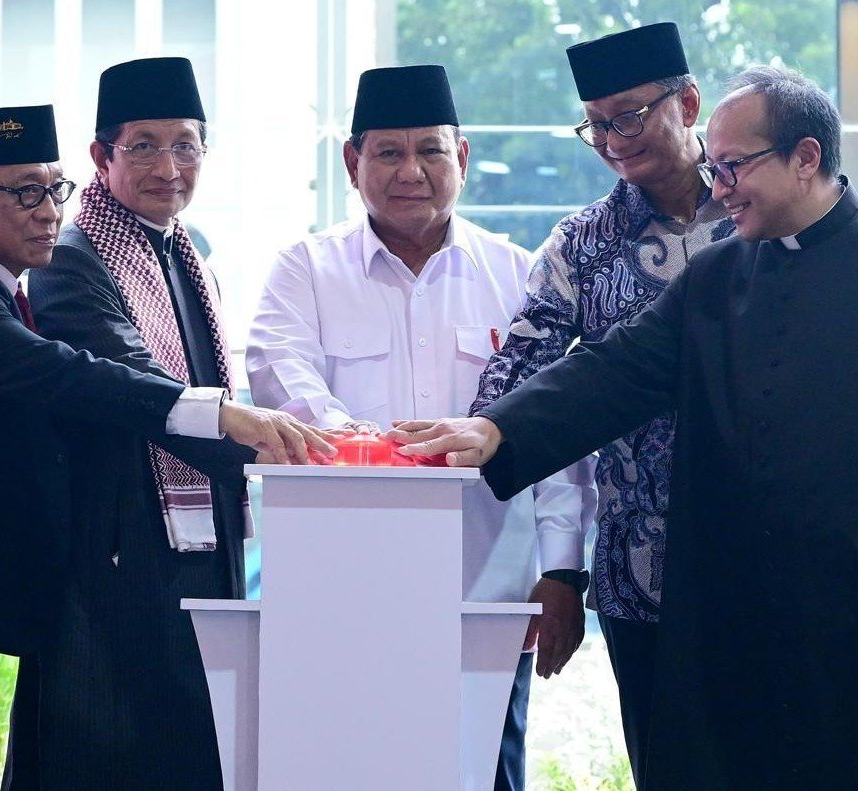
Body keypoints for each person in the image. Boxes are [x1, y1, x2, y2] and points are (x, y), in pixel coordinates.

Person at [389, 65, 858, 789]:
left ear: (806, 157)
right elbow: (615, 370)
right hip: (760, 617)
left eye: (732, 167)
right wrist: (499, 432)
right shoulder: (719, 276)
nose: (717, 187)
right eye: (715, 167)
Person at [0, 104, 330, 791]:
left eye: (53, 188)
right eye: (22, 191)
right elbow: (70, 375)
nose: (46, 210)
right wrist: (225, 416)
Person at [245, 64, 596, 791]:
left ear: (461, 158)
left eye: (431, 151)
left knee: (487, 773)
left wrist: (561, 570)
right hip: (340, 595)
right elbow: (285, 380)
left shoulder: (518, 274)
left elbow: (555, 431)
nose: (412, 171)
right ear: (353, 162)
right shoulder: (304, 270)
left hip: (487, 597)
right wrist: (374, 449)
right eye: (389, 152)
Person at [466, 22, 732, 786]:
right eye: (596, 123)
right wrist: (475, 431)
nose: (613, 140)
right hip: (640, 571)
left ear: (687, 102)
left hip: (768, 550)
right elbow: (513, 382)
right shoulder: (581, 245)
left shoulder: (763, 214)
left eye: (630, 115)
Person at [6, 57, 277, 790]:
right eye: (145, 145)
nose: (169, 166)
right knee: (106, 747)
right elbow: (137, 383)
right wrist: (262, 450)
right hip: (113, 549)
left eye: (186, 144)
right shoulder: (70, 254)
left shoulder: (190, 251)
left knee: (191, 745)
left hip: (197, 539)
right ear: (102, 155)